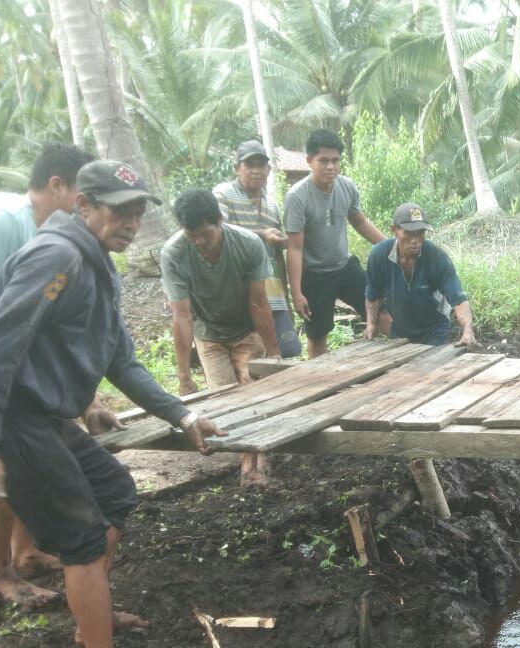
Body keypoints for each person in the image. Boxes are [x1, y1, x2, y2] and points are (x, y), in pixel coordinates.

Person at [0, 160, 223, 648]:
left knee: (114, 492)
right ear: (82, 205)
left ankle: (92, 615)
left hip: (46, 415)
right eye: (119, 210)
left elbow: (121, 361)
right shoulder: (56, 256)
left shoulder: (98, 265)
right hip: (16, 417)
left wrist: (182, 415)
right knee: (82, 538)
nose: (131, 222)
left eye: (138, 212)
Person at [0, 142, 96, 608]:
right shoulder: (5, 220)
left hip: (10, 357)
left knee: (33, 449)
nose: (86, 207)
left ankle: (25, 553)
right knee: (3, 453)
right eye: (83, 194)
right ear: (57, 185)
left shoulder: (55, 237)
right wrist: (14, 340)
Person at [161, 189, 280, 488]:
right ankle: (247, 460)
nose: (199, 242)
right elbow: (182, 316)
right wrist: (184, 376)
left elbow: (259, 302)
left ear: (219, 221)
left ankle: (257, 459)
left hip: (246, 329)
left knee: (253, 393)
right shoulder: (173, 253)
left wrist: (274, 353)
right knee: (225, 400)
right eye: (192, 235)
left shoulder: (248, 244)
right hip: (209, 333)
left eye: (206, 233)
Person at [284, 128, 385, 357]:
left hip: (345, 266)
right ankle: (321, 379)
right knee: (318, 334)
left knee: (380, 310)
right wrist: (297, 293)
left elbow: (360, 222)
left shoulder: (347, 186)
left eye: (335, 160)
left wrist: (391, 247)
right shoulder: (297, 197)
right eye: (323, 161)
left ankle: (396, 361)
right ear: (309, 161)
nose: (330, 166)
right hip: (315, 273)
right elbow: (294, 248)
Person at [212, 140, 301, 358]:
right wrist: (263, 234)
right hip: (239, 292)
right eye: (249, 164)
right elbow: (218, 231)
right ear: (237, 168)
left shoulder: (272, 205)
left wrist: (286, 296)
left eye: (261, 165)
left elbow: (277, 255)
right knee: (252, 355)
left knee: (286, 351)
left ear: (268, 170)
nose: (256, 170)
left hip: (272, 291)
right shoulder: (223, 193)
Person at [364, 203, 478, 348]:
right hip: (400, 328)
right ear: (394, 230)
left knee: (432, 361)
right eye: (409, 233)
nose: (415, 240)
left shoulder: (437, 257)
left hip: (434, 329)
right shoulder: (379, 255)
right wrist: (371, 325)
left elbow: (459, 299)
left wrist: (467, 330)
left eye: (420, 233)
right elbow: (373, 296)